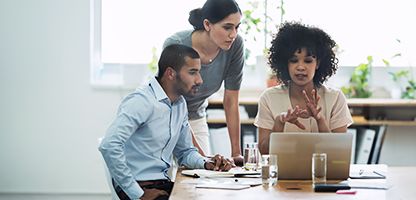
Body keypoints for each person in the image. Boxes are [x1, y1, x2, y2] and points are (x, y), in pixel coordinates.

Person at [99, 44, 235, 200]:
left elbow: (185, 153)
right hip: (139, 187)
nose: (199, 80)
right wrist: (138, 194)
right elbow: (109, 144)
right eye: (192, 72)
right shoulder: (142, 101)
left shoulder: (179, 103)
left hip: (162, 183)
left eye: (199, 72)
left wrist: (207, 163)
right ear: (170, 74)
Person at [163, 0, 244, 165]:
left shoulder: (235, 46)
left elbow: (231, 101)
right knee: (179, 179)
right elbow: (172, 104)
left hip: (195, 117)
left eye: (237, 27)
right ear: (207, 24)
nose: (233, 34)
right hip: (166, 117)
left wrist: (236, 153)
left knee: (201, 180)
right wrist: (201, 158)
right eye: (227, 27)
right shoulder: (176, 45)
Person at [254, 22, 354, 154]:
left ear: (317, 63)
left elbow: (339, 153)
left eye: (308, 61)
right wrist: (279, 123)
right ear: (285, 63)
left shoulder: (335, 98)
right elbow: (264, 153)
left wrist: (320, 120)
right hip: (282, 174)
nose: (300, 67)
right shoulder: (269, 98)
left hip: (323, 174)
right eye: (294, 60)